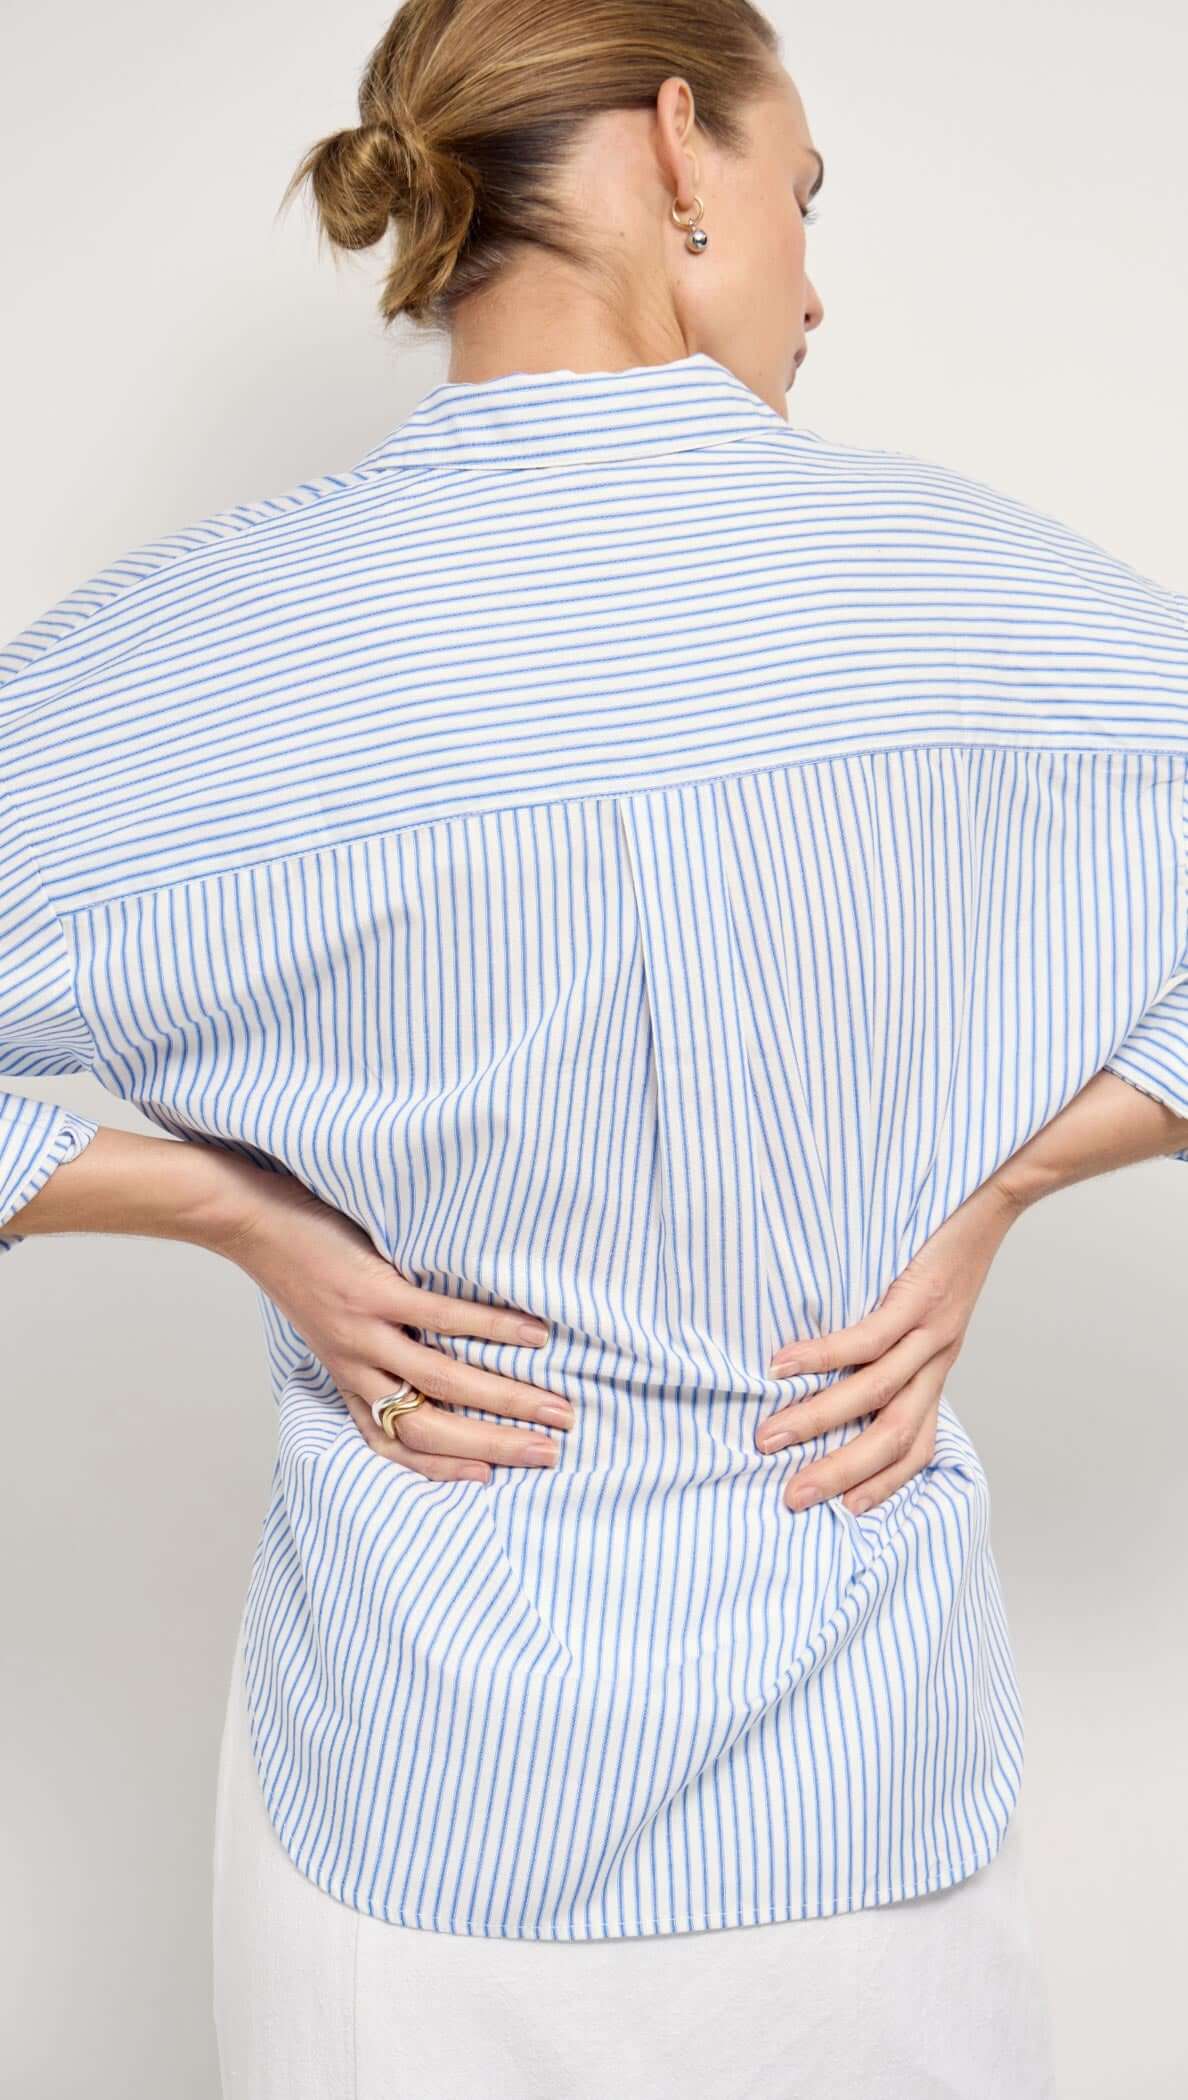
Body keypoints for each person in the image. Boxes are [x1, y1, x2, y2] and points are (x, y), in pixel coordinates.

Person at [4, 2, 1187, 2094]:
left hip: (413, 1810)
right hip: (871, 1804)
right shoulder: (995, 600)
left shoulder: (187, 660)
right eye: (796, 196)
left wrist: (206, 1204)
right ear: (672, 142)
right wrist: (1019, 1175)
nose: (815, 287)